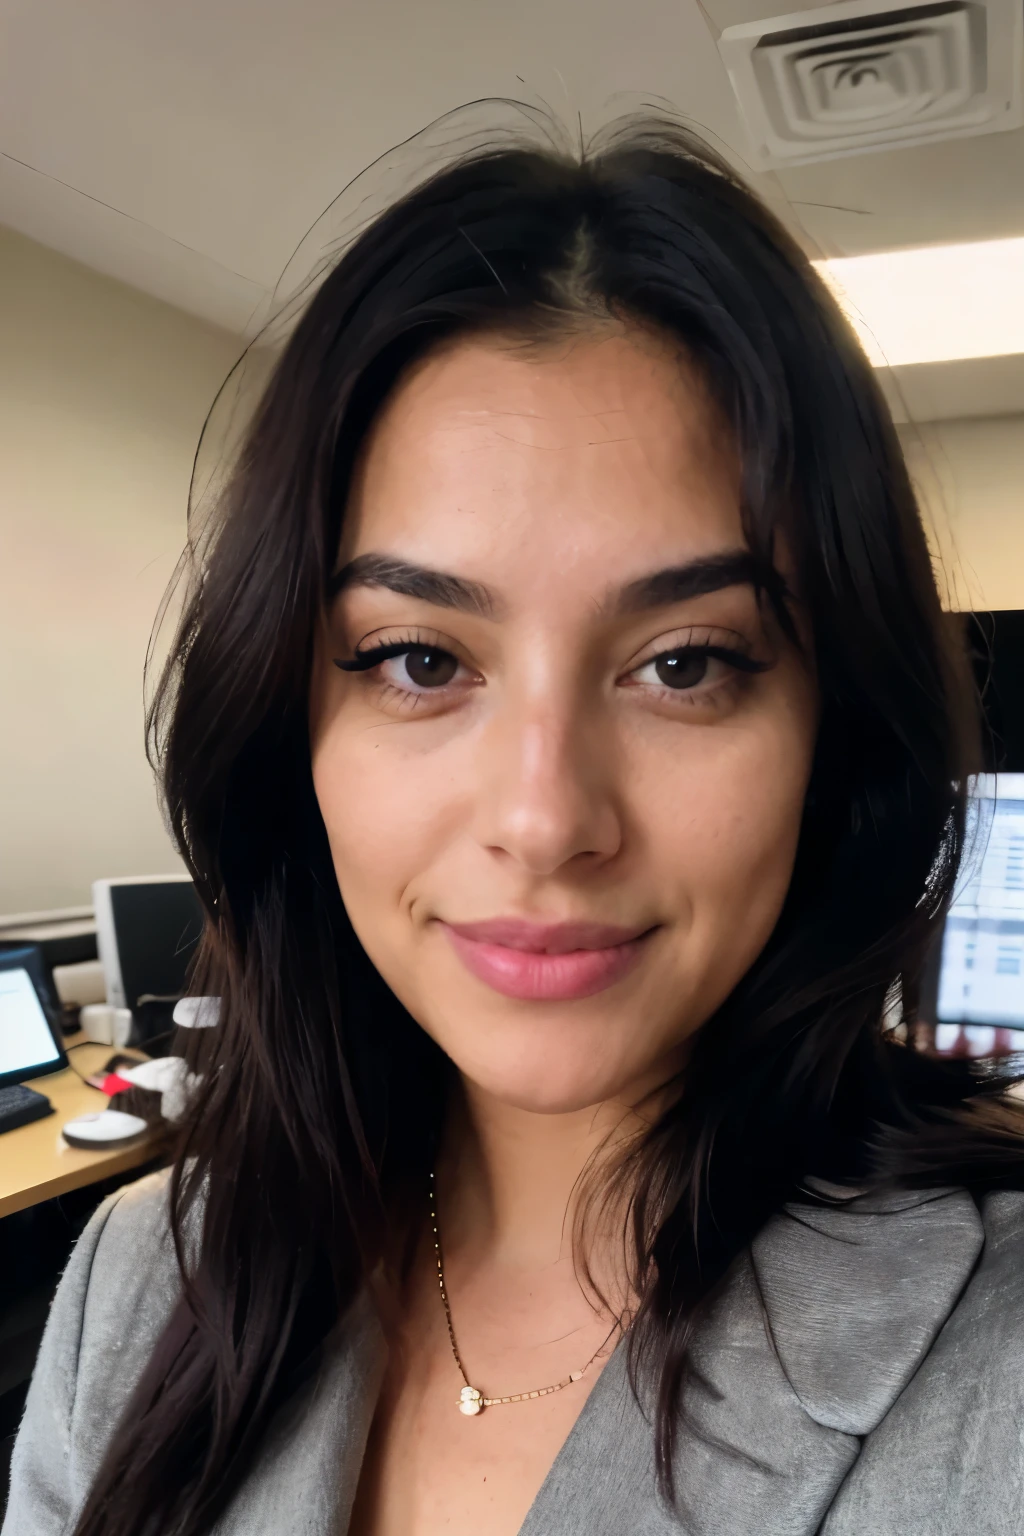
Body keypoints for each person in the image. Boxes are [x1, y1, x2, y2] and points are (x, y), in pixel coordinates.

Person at [6, 119, 1024, 1536]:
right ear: (291, 722)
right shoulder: (140, 1278)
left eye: (686, 663)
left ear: (833, 735)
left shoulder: (999, 1377)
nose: (545, 820)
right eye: (421, 660)